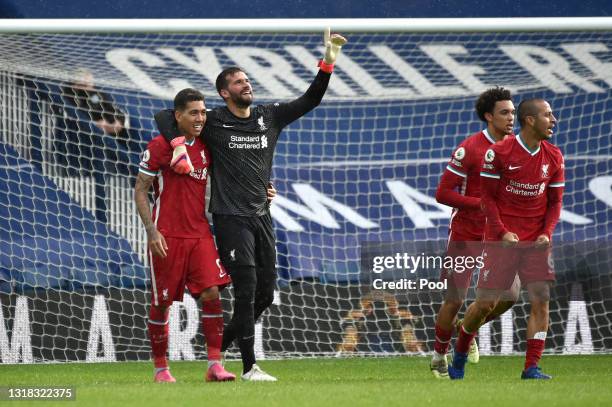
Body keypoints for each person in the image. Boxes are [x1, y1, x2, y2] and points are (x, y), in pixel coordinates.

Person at [155, 28, 347, 381]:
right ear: (224, 92)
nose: (246, 84)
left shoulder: (268, 116)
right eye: (238, 82)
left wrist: (329, 59)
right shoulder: (211, 120)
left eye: (247, 80)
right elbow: (165, 117)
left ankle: (217, 353)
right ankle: (249, 367)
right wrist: (180, 145)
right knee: (245, 292)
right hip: (230, 218)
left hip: (262, 216)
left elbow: (311, 99)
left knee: (263, 294)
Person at [448, 98, 564, 380]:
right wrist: (502, 232)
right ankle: (461, 351)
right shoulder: (499, 153)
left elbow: (555, 203)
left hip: (536, 241)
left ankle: (531, 367)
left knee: (541, 299)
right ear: (530, 120)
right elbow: (486, 198)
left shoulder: (555, 156)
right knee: (486, 304)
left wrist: (546, 233)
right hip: (502, 240)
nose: (554, 120)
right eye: (548, 115)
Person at [134, 88, 236, 383]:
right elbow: (140, 189)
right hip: (167, 236)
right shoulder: (158, 146)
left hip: (200, 235)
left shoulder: (206, 145)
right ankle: (161, 369)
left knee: (211, 293)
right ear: (178, 116)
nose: (200, 118)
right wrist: (151, 231)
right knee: (162, 303)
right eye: (193, 112)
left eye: (203, 112)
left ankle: (215, 365)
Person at [430, 87, 521, 378]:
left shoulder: (518, 149)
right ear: (488, 116)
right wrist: (479, 204)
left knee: (509, 296)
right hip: (466, 233)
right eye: (504, 112)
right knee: (455, 299)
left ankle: (464, 328)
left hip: (498, 236)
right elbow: (442, 193)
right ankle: (438, 357)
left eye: (513, 112)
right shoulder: (470, 148)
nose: (511, 118)